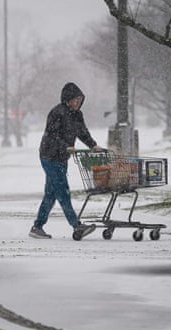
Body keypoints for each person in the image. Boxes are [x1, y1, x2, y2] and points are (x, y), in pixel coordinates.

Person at [30, 82, 101, 239]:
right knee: (63, 192)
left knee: (51, 194)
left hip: (62, 158)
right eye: (75, 100)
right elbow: (52, 135)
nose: (77, 103)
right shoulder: (57, 113)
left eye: (80, 100)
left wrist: (93, 145)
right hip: (49, 156)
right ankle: (76, 226)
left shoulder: (77, 115)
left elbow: (82, 132)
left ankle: (37, 227)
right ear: (67, 99)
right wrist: (65, 146)